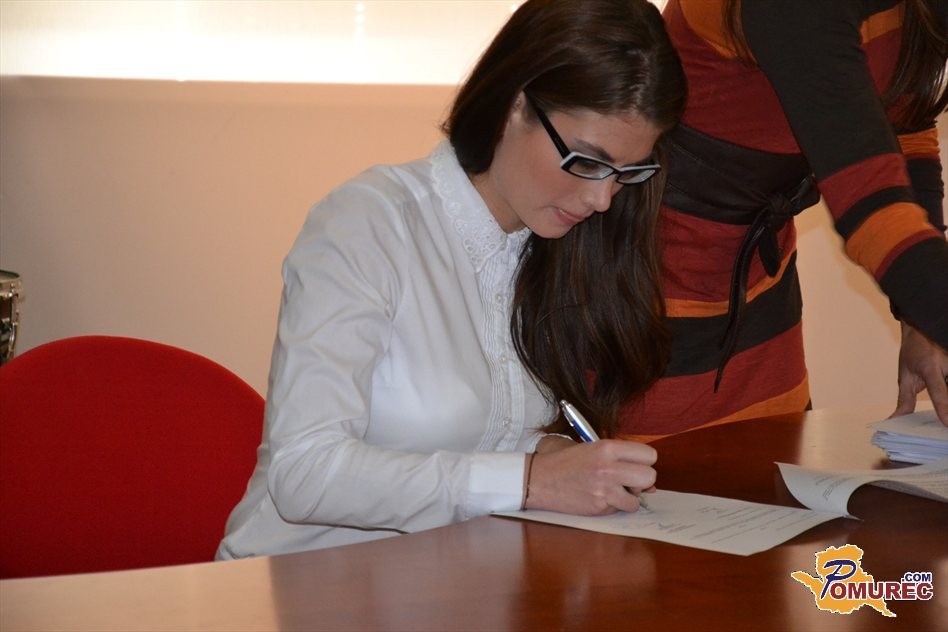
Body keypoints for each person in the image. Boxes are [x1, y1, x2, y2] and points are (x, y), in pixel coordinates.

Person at [217, 0, 686, 559]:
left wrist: (550, 455)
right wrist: (528, 480)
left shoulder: (550, 241)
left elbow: (484, 430)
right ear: (515, 105)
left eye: (627, 173)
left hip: (448, 582)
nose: (602, 198)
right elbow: (305, 474)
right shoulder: (369, 223)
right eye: (585, 162)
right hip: (299, 585)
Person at [617, 0, 948, 441]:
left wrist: (920, 323)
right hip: (647, 284)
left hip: (760, 283)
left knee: (772, 468)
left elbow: (906, 126)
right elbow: (875, 215)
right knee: (656, 475)